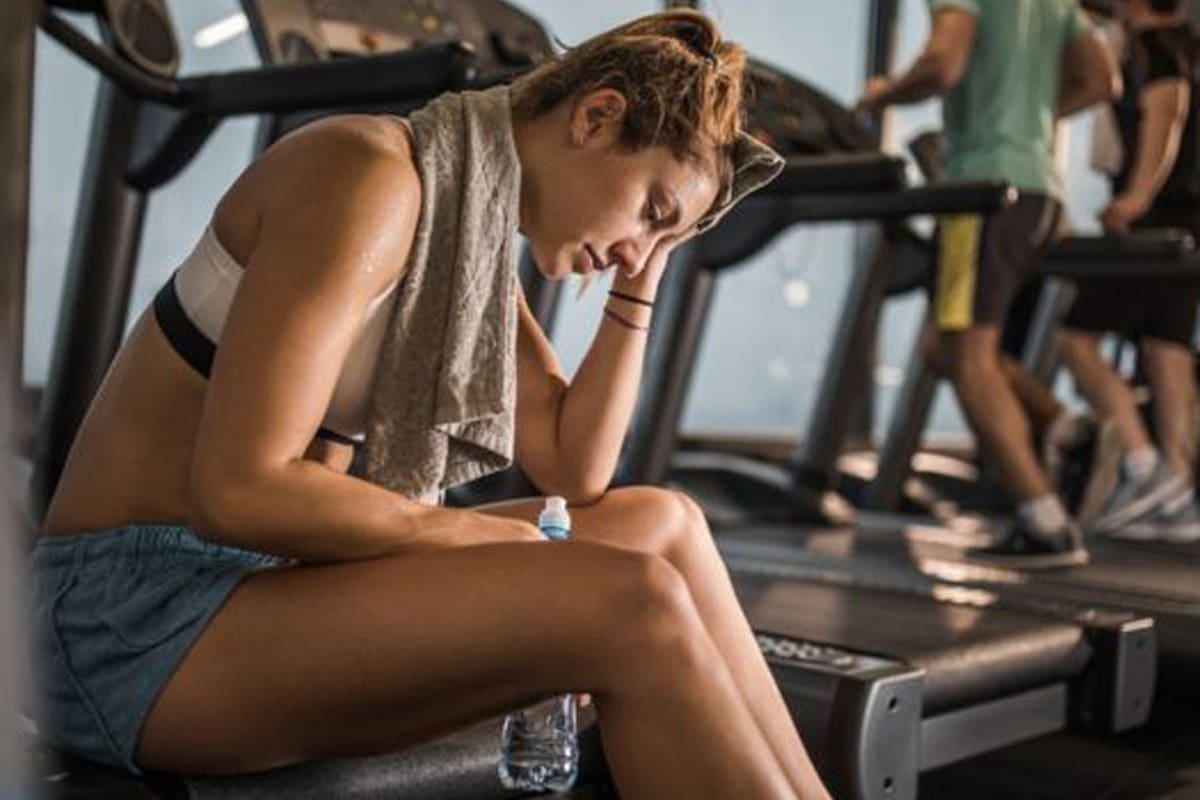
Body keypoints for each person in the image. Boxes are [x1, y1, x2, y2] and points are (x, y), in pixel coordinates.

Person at [29, 11, 831, 800]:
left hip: (261, 587)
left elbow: (576, 465)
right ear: (595, 116)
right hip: (131, 618)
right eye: (651, 212)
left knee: (667, 525)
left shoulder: (464, 244)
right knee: (633, 601)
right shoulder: (367, 178)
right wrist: (489, 544)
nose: (635, 246)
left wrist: (645, 264)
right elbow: (239, 492)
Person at [856, 0, 1121, 567]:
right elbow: (1102, 79)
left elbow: (943, 64)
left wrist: (881, 94)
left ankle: (1044, 523)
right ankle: (1066, 428)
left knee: (968, 356)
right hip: (1041, 193)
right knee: (942, 348)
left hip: (984, 190)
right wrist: (1039, 118)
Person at [1057, 0, 1200, 543]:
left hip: (1156, 222)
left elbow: (1169, 113)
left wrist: (1135, 199)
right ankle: (1179, 497)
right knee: (1167, 352)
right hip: (1188, 222)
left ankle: (1143, 466)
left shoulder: (1157, 50)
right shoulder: (1187, 43)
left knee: (1074, 339)